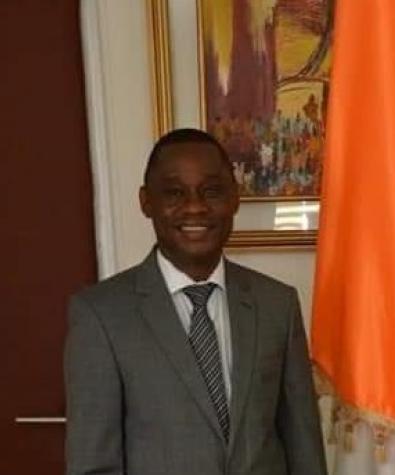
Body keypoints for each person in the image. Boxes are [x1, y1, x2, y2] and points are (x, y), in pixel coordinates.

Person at [65, 128, 327, 475]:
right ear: (146, 202)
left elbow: (305, 450)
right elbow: (93, 466)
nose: (195, 207)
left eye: (212, 191)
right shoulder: (101, 316)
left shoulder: (277, 305)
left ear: (234, 198)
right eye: (174, 193)